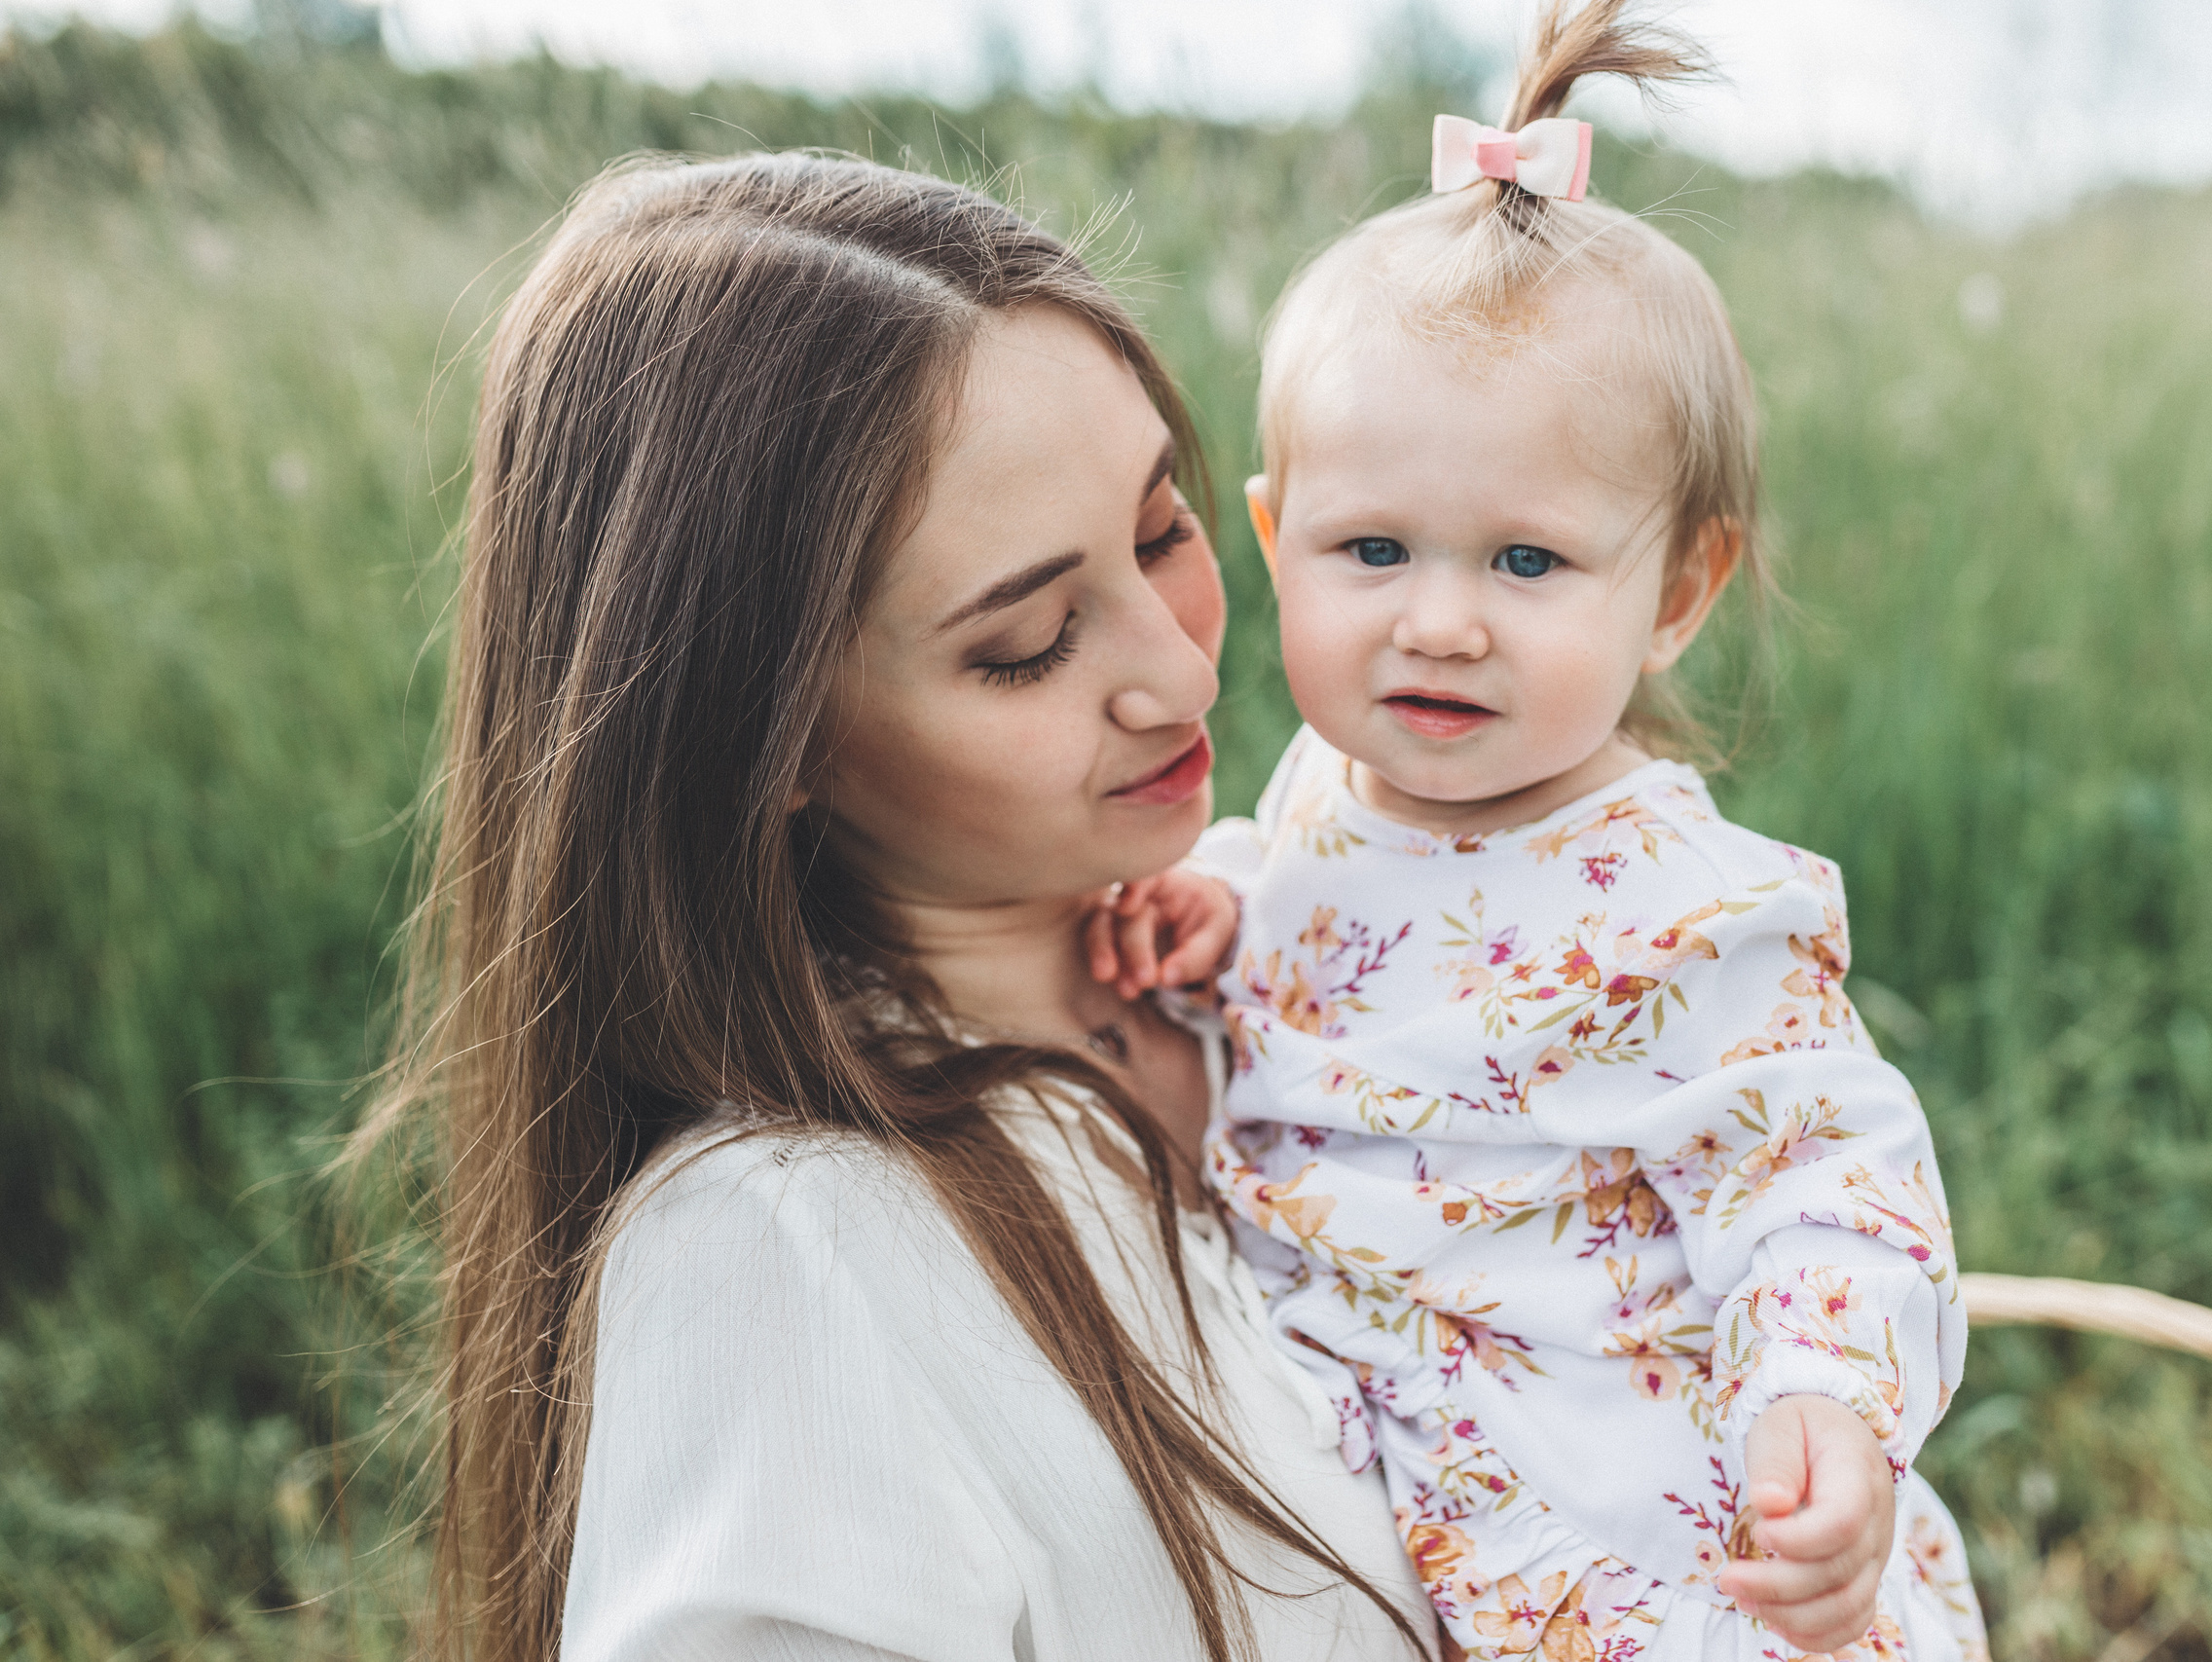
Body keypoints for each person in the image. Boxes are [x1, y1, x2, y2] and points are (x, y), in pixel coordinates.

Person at [369, 153, 1440, 1661]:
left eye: (1158, 532)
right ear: (774, 736)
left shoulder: (1314, 935)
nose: (1189, 674)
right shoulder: (786, 1260)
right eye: (1028, 640)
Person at [1085, 5, 1991, 1658]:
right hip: (1364, 1471)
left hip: (1614, 1526)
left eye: (1525, 563)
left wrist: (1822, 1404)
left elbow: (1825, 1180)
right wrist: (1218, 912)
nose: (1439, 623)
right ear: (1278, 540)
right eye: (1373, 551)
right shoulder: (1310, 799)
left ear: (1679, 594)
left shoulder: (1685, 911)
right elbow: (1310, 920)